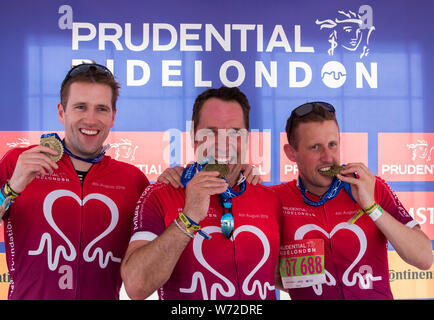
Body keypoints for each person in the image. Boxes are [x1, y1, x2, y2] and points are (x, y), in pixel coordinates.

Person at [0, 63, 149, 299]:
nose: (90, 119)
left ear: (113, 117)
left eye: (101, 109)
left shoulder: (134, 181)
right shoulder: (19, 162)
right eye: (80, 107)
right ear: (61, 112)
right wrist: (12, 187)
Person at [121, 86, 282, 300]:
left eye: (234, 133)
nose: (223, 145)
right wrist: (189, 217)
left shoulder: (269, 198)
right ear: (193, 137)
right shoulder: (160, 194)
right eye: (211, 132)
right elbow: (135, 286)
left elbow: (287, 276)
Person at [272, 101, 433, 299]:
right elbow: (265, 271)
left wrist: (371, 207)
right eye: (315, 147)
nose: (328, 157)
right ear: (291, 153)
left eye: (333, 144)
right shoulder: (276, 199)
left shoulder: (370, 186)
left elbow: (424, 259)